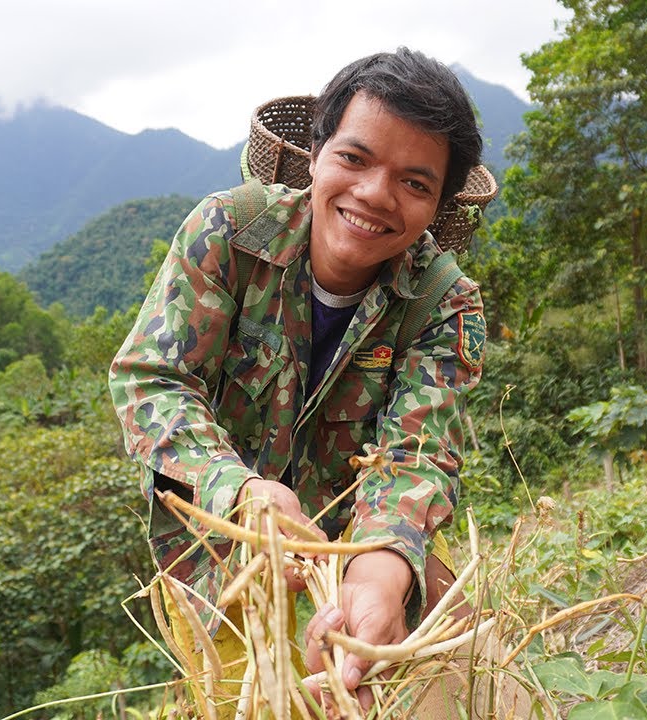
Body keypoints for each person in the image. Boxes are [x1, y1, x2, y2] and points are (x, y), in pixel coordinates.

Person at [108, 47, 485, 714]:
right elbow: (152, 381)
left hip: (366, 541)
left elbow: (416, 461)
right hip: (221, 554)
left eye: (414, 183)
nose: (374, 195)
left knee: (423, 686)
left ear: (437, 206)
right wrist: (242, 494)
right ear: (315, 155)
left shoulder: (445, 304)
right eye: (355, 158)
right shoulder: (227, 233)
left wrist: (375, 582)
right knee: (249, 704)